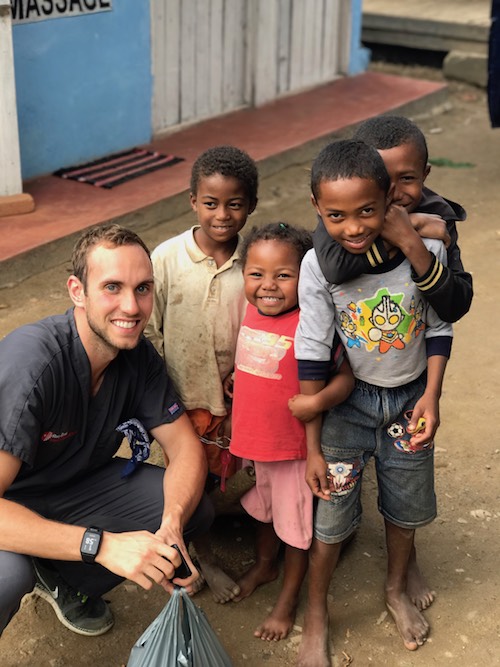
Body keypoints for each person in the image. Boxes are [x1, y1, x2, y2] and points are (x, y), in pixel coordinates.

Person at [0, 223, 211, 638]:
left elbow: (186, 449)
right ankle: (41, 559)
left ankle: (62, 580)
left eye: (143, 288)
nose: (131, 307)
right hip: (9, 503)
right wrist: (101, 545)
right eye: (112, 287)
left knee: (192, 507)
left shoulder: (136, 356)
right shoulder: (32, 363)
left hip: (70, 485)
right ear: (77, 291)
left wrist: (170, 523)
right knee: (7, 576)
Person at [295, 140, 453, 665]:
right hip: (348, 409)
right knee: (332, 518)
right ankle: (316, 612)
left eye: (367, 210)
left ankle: (394, 588)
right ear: (317, 209)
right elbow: (313, 353)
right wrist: (313, 446)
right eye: (336, 215)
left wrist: (431, 395)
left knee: (404, 508)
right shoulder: (318, 266)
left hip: (410, 401)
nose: (355, 227)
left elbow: (439, 326)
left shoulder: (422, 251)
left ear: (389, 198)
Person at [228, 223, 355, 642]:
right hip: (258, 444)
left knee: (296, 531)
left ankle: (287, 601)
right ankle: (266, 566)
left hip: (294, 450)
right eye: (256, 274)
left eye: (283, 275)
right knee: (267, 513)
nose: (268, 286)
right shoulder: (250, 310)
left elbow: (346, 377)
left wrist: (317, 402)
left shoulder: (311, 323)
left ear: (306, 277)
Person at [145, 145, 259, 603]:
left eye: (235, 204)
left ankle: (250, 536)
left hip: (236, 401)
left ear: (250, 204)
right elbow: (148, 332)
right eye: (211, 203)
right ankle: (200, 555)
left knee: (229, 475)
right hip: (179, 399)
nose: (223, 214)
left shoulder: (256, 263)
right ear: (193, 200)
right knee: (186, 480)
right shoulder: (168, 259)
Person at [313, 115, 473, 323]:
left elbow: (455, 306)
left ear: (424, 174)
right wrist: (409, 228)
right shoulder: (345, 210)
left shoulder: (437, 213)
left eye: (407, 178)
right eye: (383, 180)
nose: (394, 193)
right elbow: (333, 268)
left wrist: (410, 242)